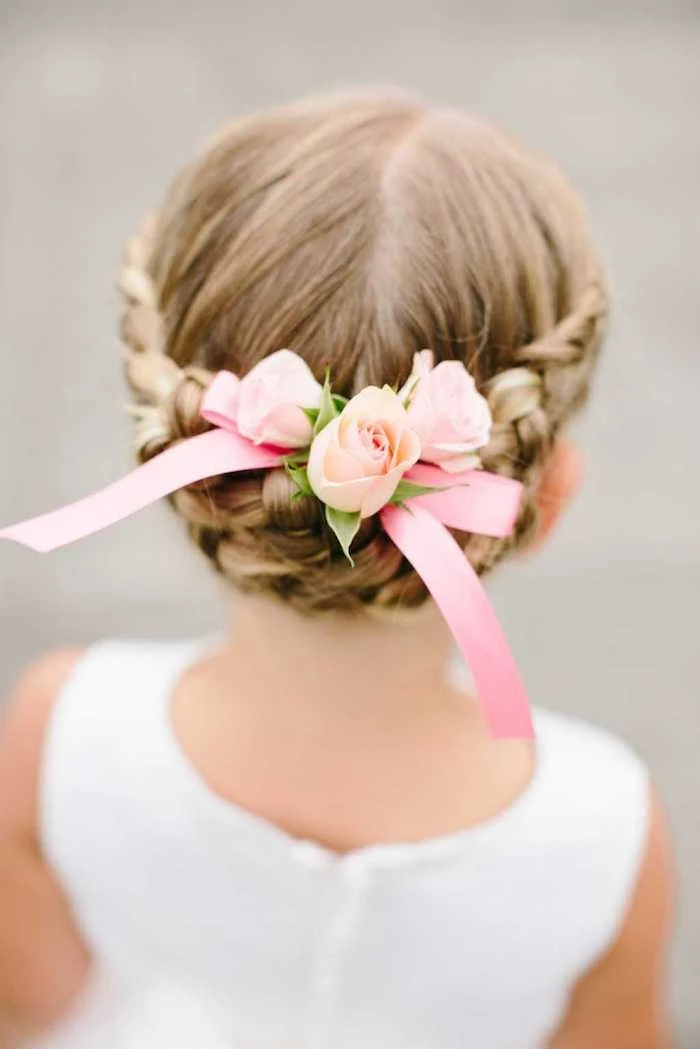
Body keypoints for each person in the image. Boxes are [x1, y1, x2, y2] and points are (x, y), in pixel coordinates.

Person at [0, 88, 675, 1048]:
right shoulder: (608, 831)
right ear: (544, 492)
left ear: (192, 466)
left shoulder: (59, 730)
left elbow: (27, 1007)